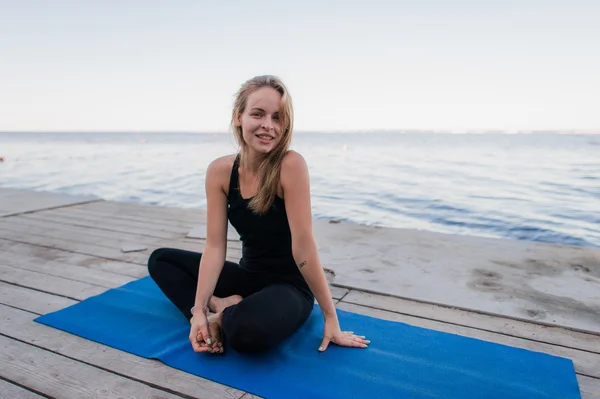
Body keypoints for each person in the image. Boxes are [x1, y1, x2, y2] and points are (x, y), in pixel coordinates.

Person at [148, 75, 369, 354]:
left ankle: (224, 317)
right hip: (248, 276)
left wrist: (330, 316)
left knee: (247, 333)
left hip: (289, 288)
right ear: (238, 117)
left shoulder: (290, 165)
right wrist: (199, 309)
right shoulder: (220, 171)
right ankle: (216, 310)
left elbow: (303, 246)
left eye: (277, 117)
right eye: (258, 114)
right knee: (162, 260)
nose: (268, 125)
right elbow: (215, 246)